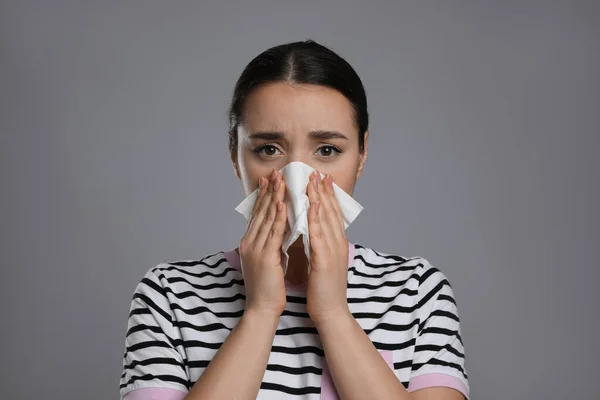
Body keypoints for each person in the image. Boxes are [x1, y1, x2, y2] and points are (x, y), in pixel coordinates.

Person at [119, 40, 469, 400]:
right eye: (269, 150)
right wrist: (260, 312)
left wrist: (333, 314)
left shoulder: (416, 292)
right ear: (235, 155)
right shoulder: (169, 296)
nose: (295, 178)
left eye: (327, 150)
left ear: (361, 154)